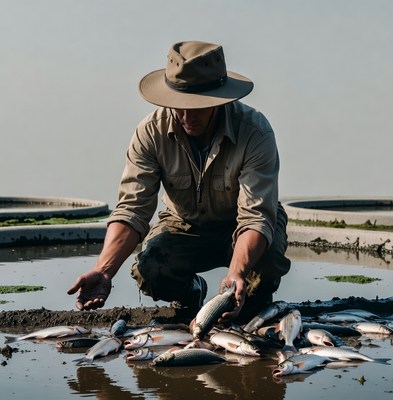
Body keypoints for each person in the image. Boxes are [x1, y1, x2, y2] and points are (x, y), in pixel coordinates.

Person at [68, 40, 291, 324]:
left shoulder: (254, 132)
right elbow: (132, 210)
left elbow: (255, 217)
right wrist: (104, 270)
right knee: (151, 267)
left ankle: (251, 302)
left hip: (240, 225)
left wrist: (236, 272)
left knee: (265, 266)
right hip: (183, 224)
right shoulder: (150, 132)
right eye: (178, 106)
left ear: (218, 99)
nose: (186, 116)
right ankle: (191, 293)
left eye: (196, 107)